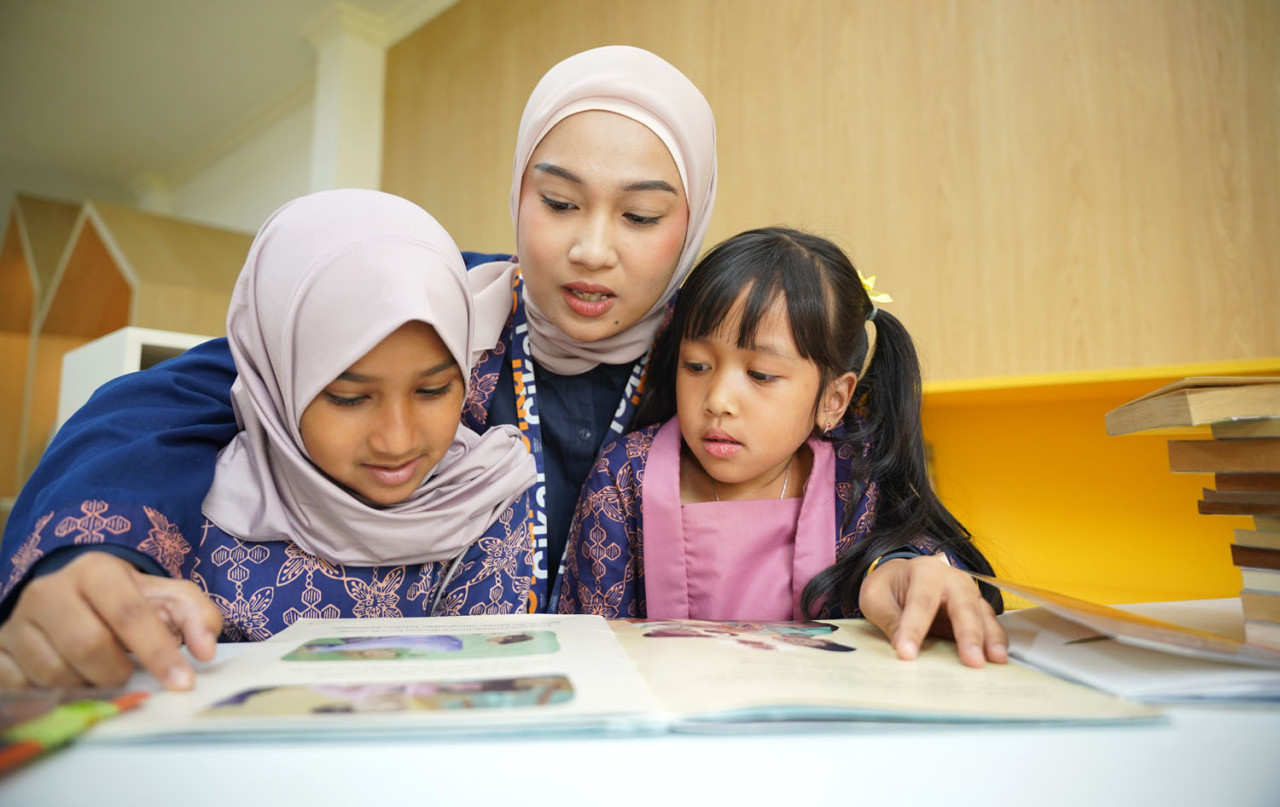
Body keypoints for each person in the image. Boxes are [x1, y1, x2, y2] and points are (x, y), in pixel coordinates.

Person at [0, 47, 719, 658]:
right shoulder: (442, 306)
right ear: (519, 192)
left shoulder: (724, 358)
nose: (591, 249)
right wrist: (91, 554)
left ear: (692, 223)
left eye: (640, 216)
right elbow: (173, 402)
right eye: (559, 202)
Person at [0, 189, 538, 689]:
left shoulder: (487, 494)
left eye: (434, 390)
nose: (397, 441)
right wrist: (89, 550)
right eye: (349, 398)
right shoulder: (197, 517)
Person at [556, 227, 1008, 668]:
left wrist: (908, 568)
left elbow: (924, 572)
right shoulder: (624, 476)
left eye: (760, 375)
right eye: (696, 365)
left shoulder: (857, 478)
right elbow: (591, 649)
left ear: (833, 400)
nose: (717, 401)